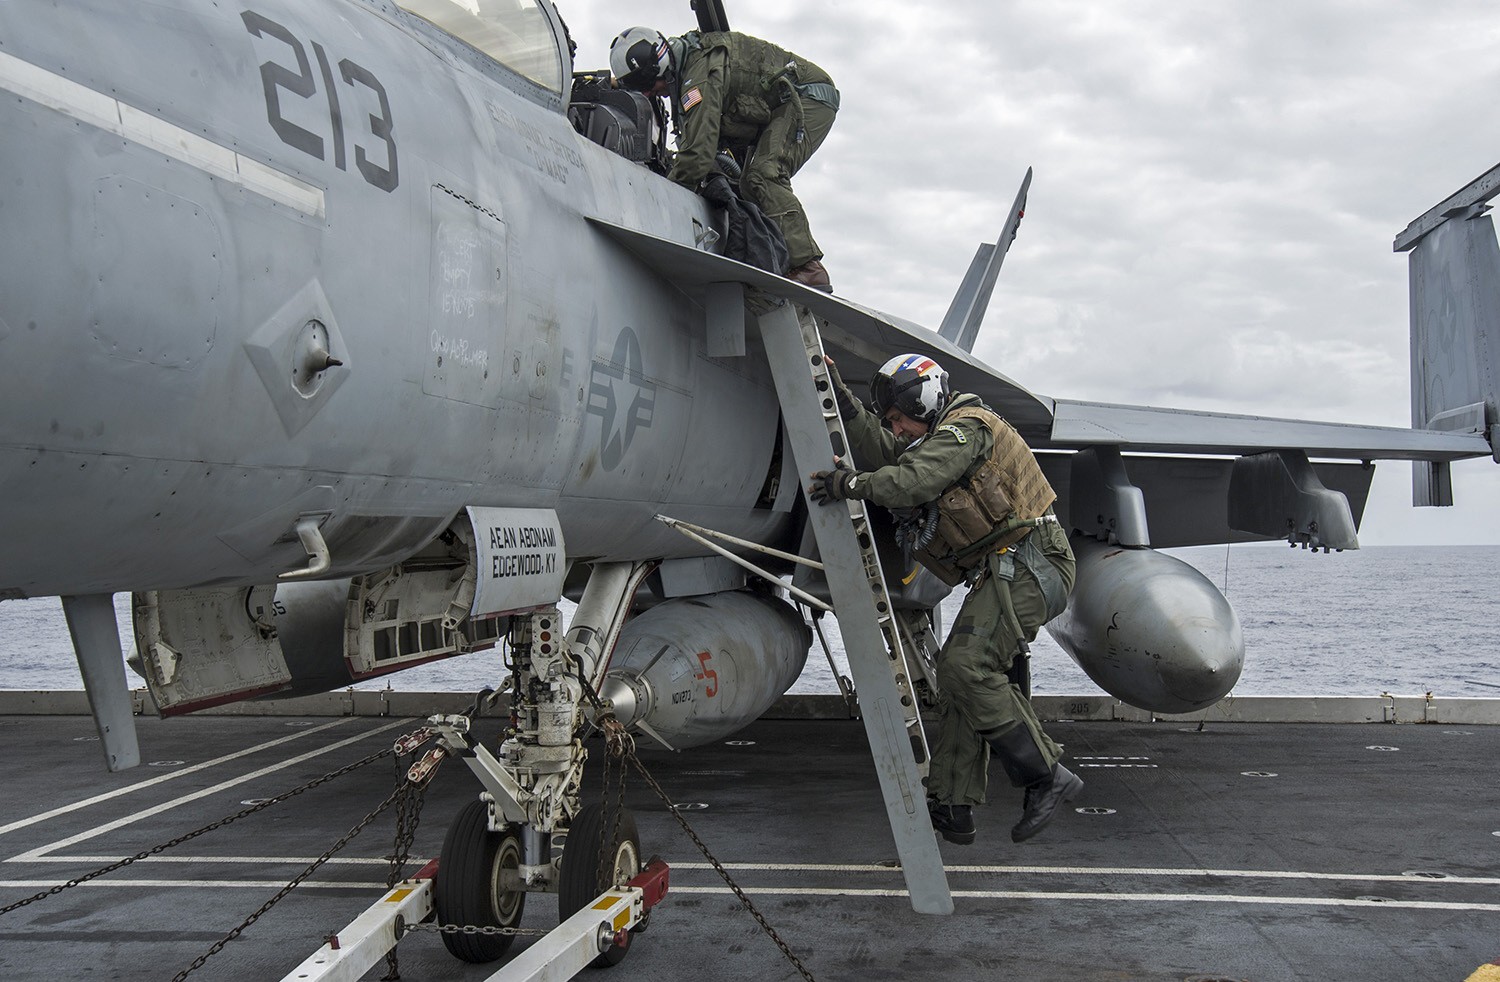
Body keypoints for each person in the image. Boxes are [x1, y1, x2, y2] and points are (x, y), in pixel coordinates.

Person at [808, 354, 1083, 845]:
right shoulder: (935, 437)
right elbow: (888, 450)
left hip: (1032, 562)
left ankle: (1046, 775)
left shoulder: (966, 429)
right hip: (1003, 569)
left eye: (899, 417)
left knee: (964, 666)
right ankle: (955, 805)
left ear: (924, 401)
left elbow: (909, 481)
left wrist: (848, 484)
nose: (896, 428)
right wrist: (842, 400)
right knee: (958, 681)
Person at [609, 26, 839, 292]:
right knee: (747, 185)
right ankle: (783, 263)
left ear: (658, 68)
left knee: (763, 175)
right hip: (784, 104)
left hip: (808, 98)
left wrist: (666, 198)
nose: (650, 94)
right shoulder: (689, 68)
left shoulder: (699, 76)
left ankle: (808, 267)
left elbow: (697, 155)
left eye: (648, 86)